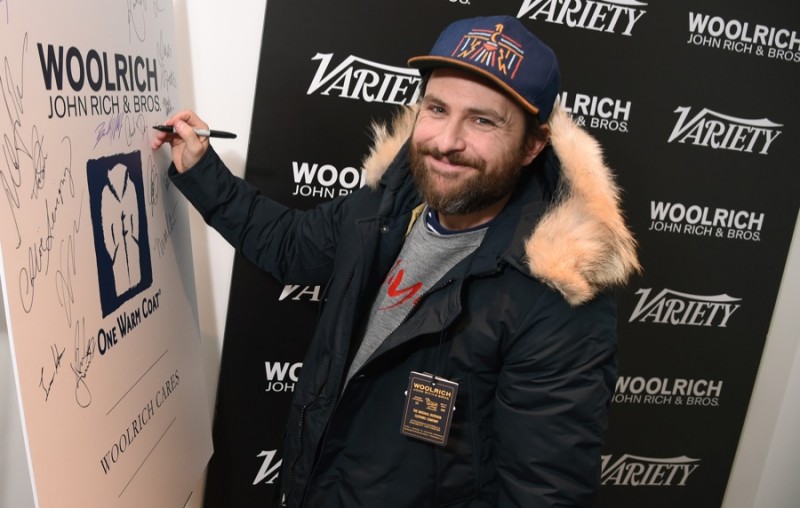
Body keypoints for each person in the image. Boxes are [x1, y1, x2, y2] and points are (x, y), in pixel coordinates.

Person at [153, 14, 640, 508]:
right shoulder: (385, 205)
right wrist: (199, 167)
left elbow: (541, 495)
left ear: (532, 145)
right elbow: (290, 245)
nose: (446, 141)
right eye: (437, 108)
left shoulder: (553, 297)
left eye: (482, 120)